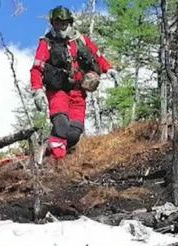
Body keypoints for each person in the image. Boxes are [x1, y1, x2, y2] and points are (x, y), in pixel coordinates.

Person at [30, 6, 113, 161]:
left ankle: (50, 151)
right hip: (58, 91)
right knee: (61, 125)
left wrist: (109, 69)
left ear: (69, 23)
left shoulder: (81, 40)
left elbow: (97, 56)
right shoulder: (46, 43)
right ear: (52, 23)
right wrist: (38, 90)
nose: (60, 27)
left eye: (63, 24)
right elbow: (36, 68)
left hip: (78, 93)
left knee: (74, 134)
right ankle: (56, 165)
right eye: (57, 23)